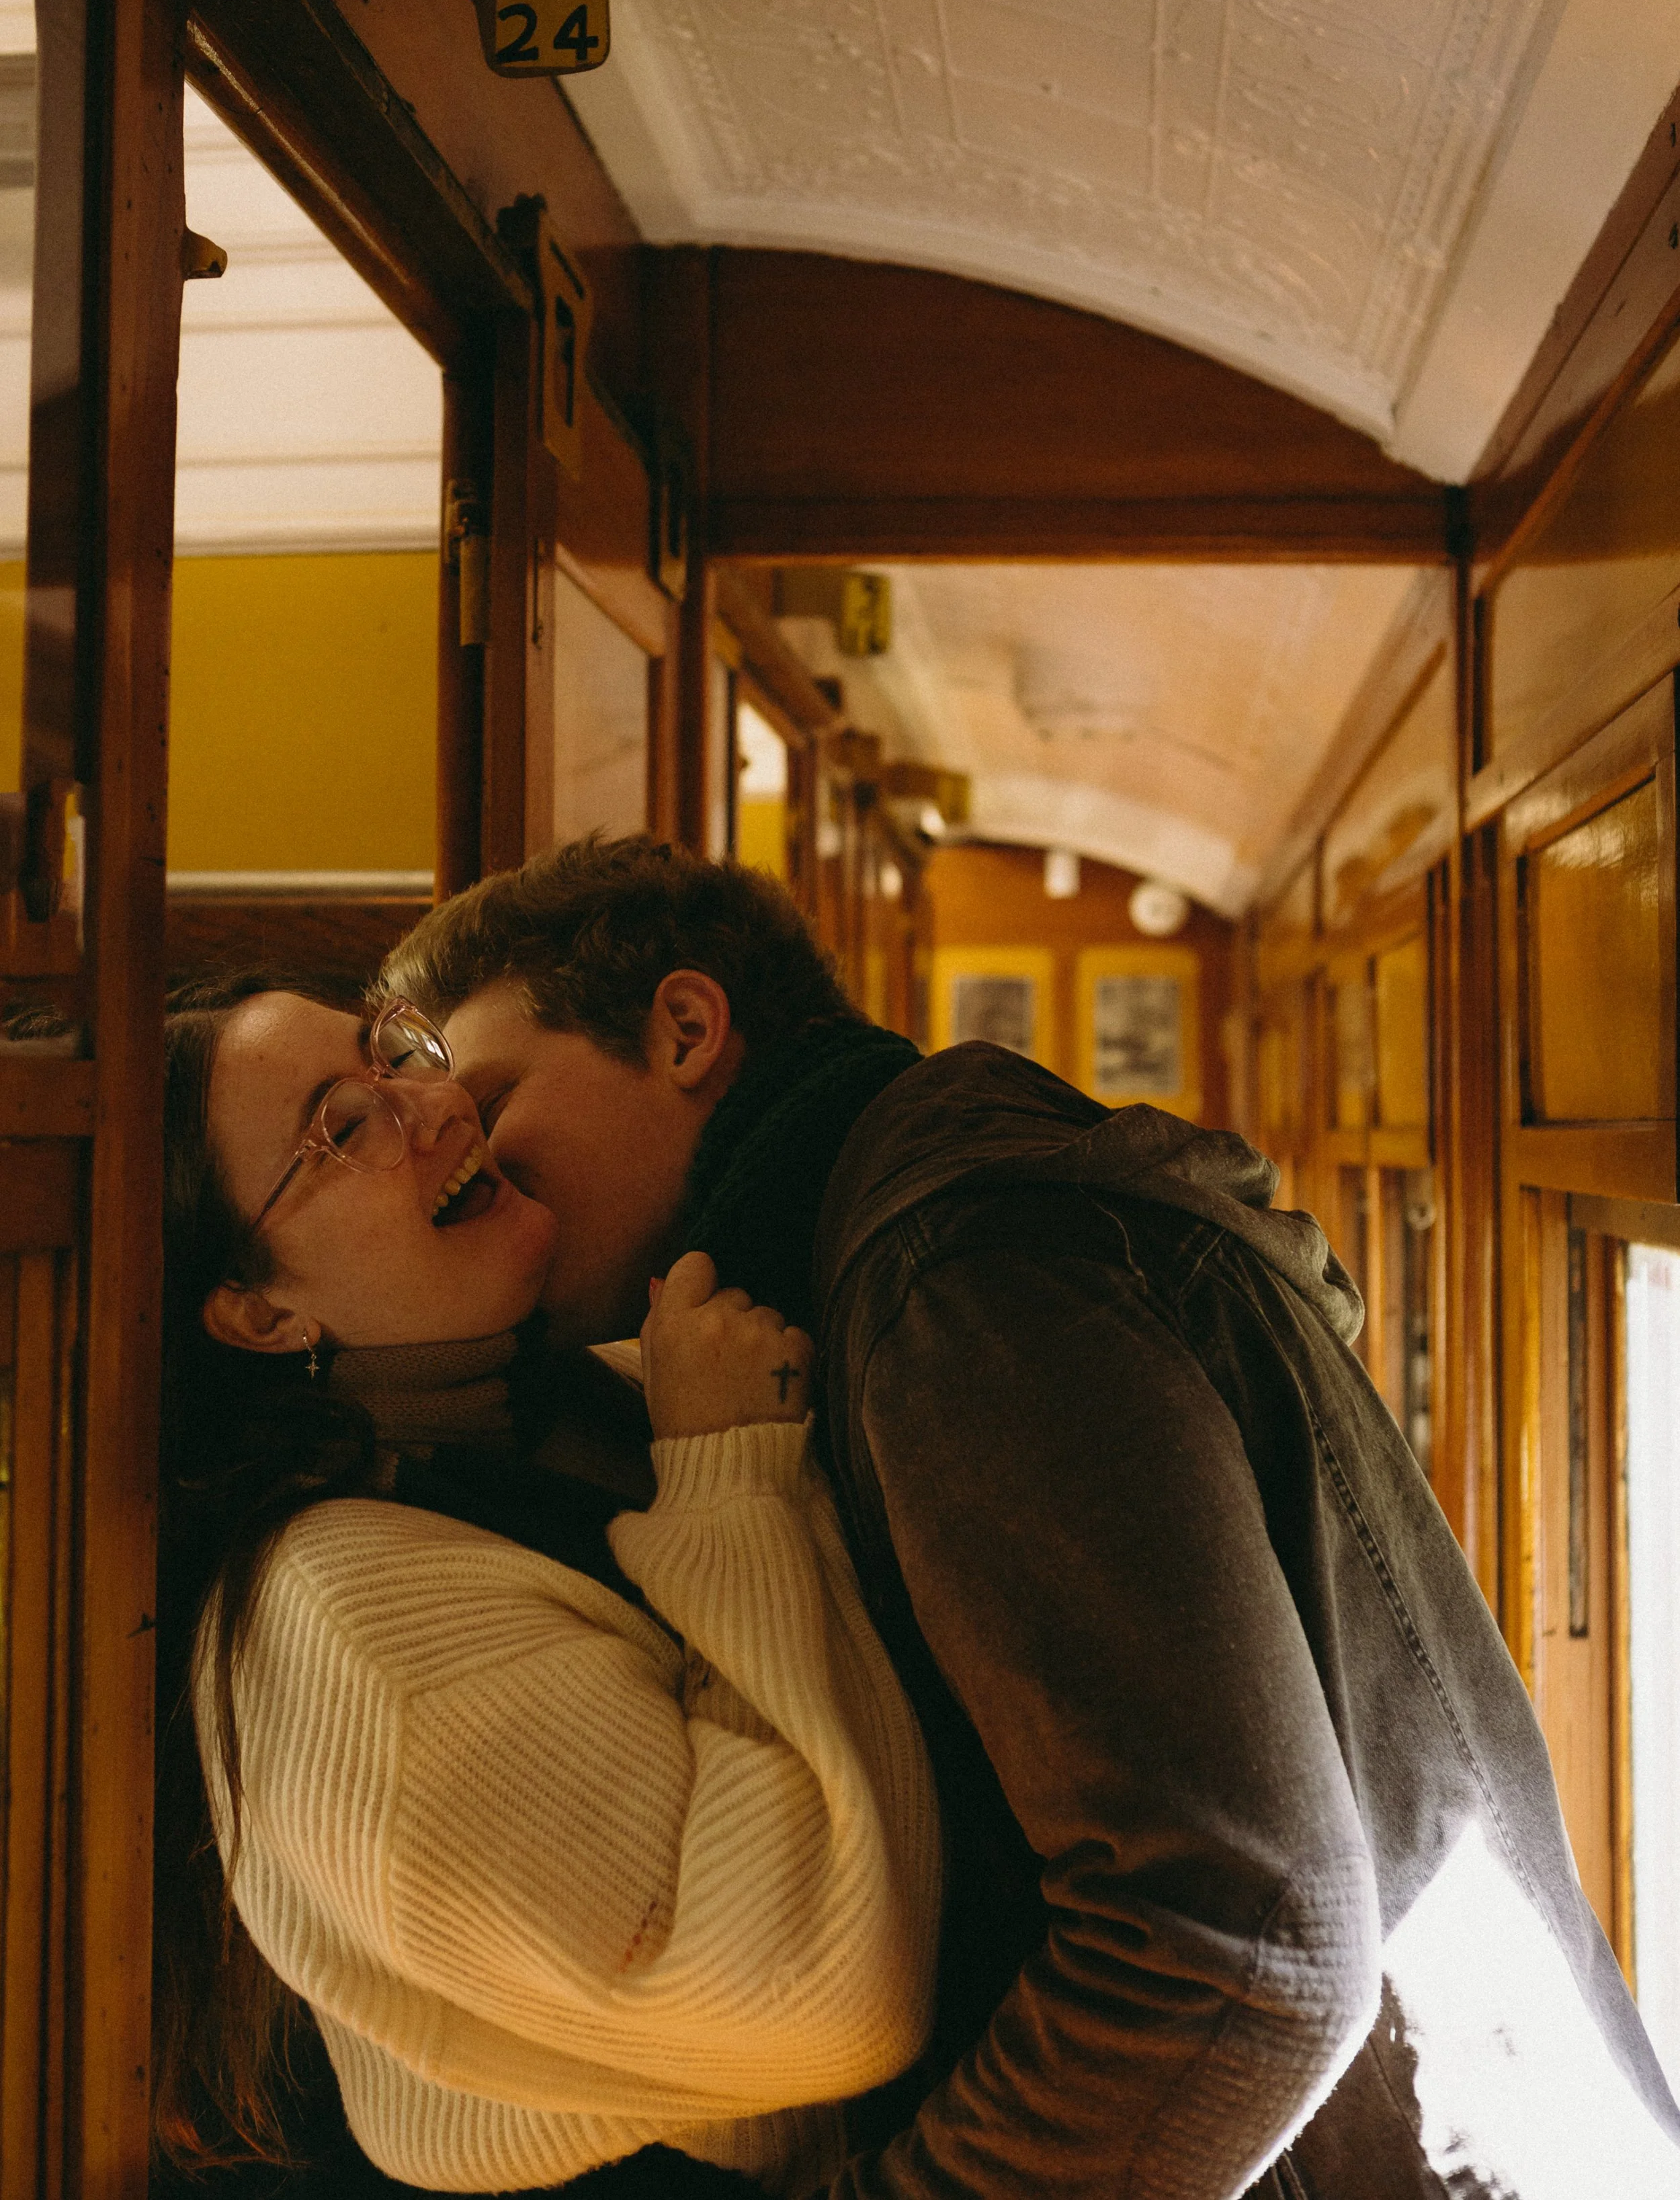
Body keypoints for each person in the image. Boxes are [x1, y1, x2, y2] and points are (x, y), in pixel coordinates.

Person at [382, 835, 1680, 2200]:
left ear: (687, 1029)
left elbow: (1231, 1941)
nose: (471, 1155)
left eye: (495, 1095)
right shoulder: (915, 1218)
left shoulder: (959, 1272)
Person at [153, 977, 940, 2195]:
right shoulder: (341, 1627)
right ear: (261, 1312)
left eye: (392, 1051)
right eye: (344, 1127)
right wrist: (733, 1472)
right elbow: (829, 1987)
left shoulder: (560, 1397)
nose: (436, 1101)